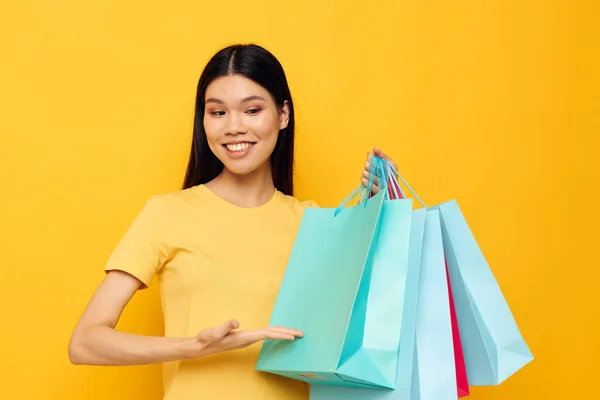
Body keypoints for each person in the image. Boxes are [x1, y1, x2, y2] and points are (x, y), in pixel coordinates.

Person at [68, 43, 397, 400]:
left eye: (252, 110)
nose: (234, 127)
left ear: (283, 114)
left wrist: (382, 212)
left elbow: (373, 327)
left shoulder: (316, 223)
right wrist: (193, 346)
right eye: (218, 112)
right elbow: (85, 343)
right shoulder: (167, 213)